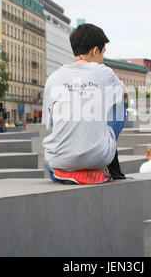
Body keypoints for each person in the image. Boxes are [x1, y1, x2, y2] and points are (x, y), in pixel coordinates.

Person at [42, 23, 127, 185]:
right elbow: (125, 91)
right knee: (119, 103)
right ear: (95, 51)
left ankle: (68, 170)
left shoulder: (53, 78)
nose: (102, 58)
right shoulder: (103, 72)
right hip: (98, 158)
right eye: (103, 53)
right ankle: (104, 166)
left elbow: (51, 124)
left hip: (59, 161)